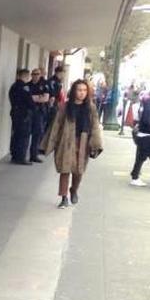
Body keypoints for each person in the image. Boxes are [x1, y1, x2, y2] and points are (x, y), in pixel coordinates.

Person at [44, 79, 103, 208]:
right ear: (74, 91)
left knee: (78, 171)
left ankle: (74, 190)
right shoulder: (65, 106)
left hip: (83, 142)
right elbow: (56, 125)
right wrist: (49, 144)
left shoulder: (91, 107)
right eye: (79, 90)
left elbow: (95, 126)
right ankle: (64, 197)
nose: (82, 93)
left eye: (84, 90)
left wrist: (96, 144)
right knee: (65, 170)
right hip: (66, 141)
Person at [8, 68, 34, 164]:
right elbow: (30, 101)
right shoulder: (24, 87)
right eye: (28, 76)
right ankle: (21, 158)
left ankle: (14, 155)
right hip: (24, 115)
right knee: (24, 136)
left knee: (16, 134)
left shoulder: (13, 86)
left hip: (15, 112)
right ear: (25, 76)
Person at [28, 68, 50, 162]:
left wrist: (33, 97)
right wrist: (38, 97)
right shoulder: (28, 85)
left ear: (40, 75)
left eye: (37, 74)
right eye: (33, 74)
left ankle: (34, 155)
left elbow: (45, 98)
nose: (35, 75)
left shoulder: (44, 84)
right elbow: (26, 98)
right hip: (29, 112)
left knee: (37, 133)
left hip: (39, 112)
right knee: (26, 133)